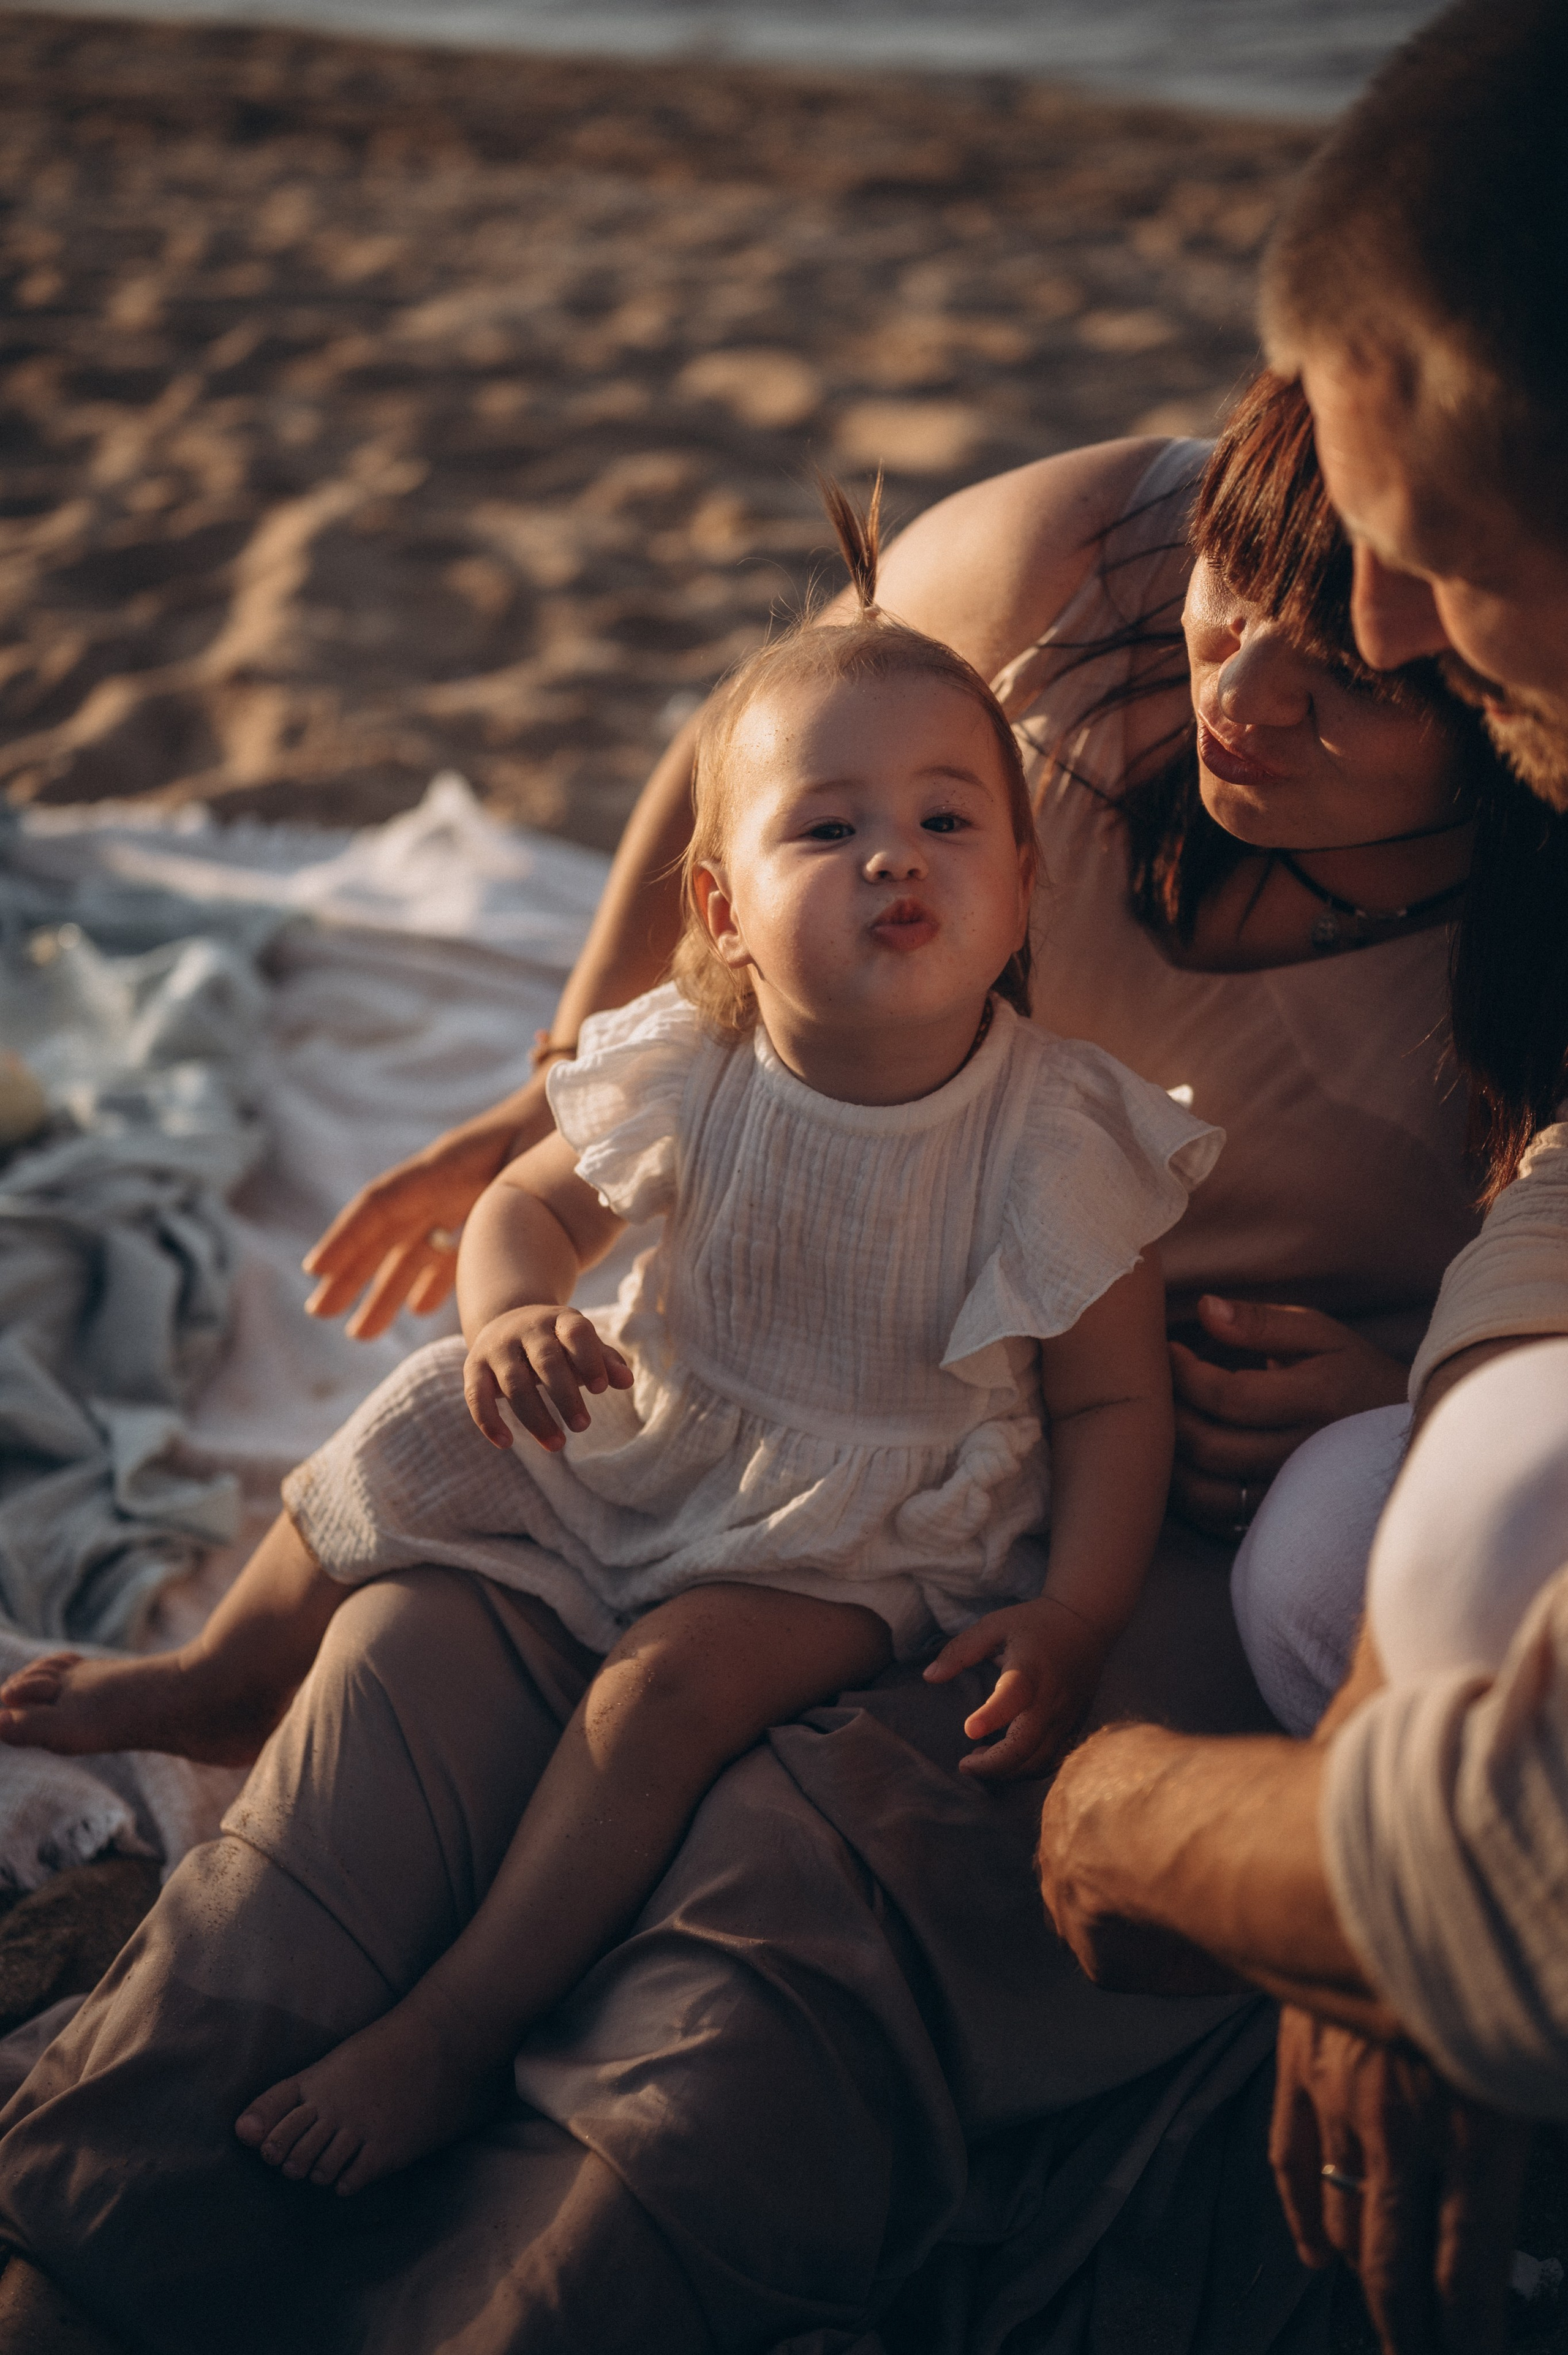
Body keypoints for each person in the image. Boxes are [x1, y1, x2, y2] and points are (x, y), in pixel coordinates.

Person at [0, 373, 1528, 2354]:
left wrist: (1396, 1378)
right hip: (714, 1407)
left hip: (1087, 1503)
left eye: (1368, 677)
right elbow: (756, 748)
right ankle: (84, 2246)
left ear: (1517, 676)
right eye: (1242, 595)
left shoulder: (1446, 989)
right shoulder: (1081, 569)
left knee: (773, 1914)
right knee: (402, 1704)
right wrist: (547, 1102)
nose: (1247, 694)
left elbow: (1444, 1378)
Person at [169, 495, 1219, 2198]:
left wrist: (1077, 1609)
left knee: (659, 1698)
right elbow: (522, 1212)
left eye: (951, 819)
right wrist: (508, 1318)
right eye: (832, 827)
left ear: (1023, 888)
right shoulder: (693, 1060)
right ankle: (226, 1671)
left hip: (860, 1517)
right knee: (421, 1413)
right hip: (660, 1415)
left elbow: (1112, 1401)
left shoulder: (1055, 1135)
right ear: (722, 911)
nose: (899, 855)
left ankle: (458, 2022)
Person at [1036, 7, 1568, 2353]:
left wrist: (1157, 1830)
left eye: (1436, 565)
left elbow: (1521, 1869)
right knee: (1392, 1517)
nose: (1355, 634)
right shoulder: (1128, 644)